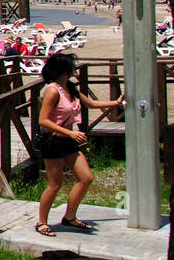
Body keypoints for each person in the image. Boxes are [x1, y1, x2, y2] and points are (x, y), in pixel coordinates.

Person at [34, 53, 124, 237]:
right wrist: (71, 132)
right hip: (53, 141)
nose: (74, 70)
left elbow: (90, 103)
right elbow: (43, 120)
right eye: (71, 68)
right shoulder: (52, 90)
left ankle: (70, 216)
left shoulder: (70, 87)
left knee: (86, 178)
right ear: (63, 70)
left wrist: (116, 102)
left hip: (69, 140)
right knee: (55, 184)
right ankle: (42, 222)